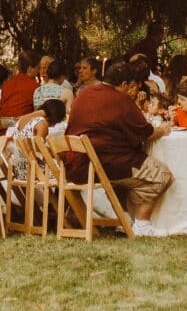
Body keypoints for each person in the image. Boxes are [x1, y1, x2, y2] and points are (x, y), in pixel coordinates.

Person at [62, 60, 175, 229]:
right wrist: (163, 130)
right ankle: (142, 224)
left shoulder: (83, 94)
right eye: (132, 86)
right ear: (124, 84)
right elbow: (147, 133)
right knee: (163, 175)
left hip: (76, 164)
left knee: (133, 180)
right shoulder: (121, 100)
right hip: (106, 164)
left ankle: (122, 220)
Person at [0, 55, 40, 120]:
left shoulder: (7, 83)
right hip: (19, 126)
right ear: (30, 69)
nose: (38, 71)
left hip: (2, 126)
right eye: (38, 68)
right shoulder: (35, 86)